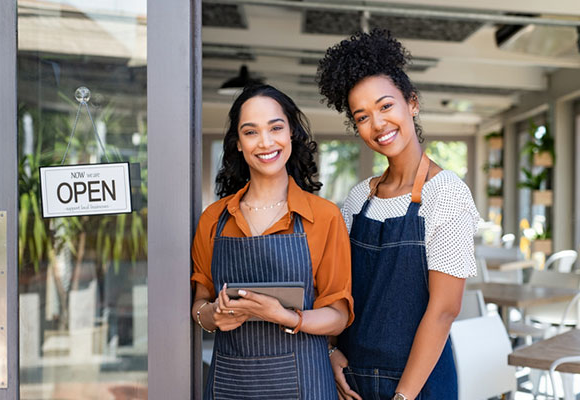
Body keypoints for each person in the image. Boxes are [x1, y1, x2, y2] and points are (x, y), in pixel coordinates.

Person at [317, 29, 479, 400]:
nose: (378, 124)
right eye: (362, 116)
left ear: (412, 103)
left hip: (418, 387)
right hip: (352, 381)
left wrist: (403, 396)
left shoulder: (447, 193)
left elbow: (443, 311)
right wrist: (331, 350)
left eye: (386, 106)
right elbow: (339, 293)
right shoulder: (359, 198)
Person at [190, 84, 354, 400]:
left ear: (291, 132)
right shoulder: (214, 218)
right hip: (230, 385)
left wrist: (284, 316)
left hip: (306, 384)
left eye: (275, 128)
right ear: (238, 144)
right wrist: (214, 315)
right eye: (251, 132)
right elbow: (200, 304)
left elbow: (339, 315)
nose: (265, 142)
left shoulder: (324, 216)